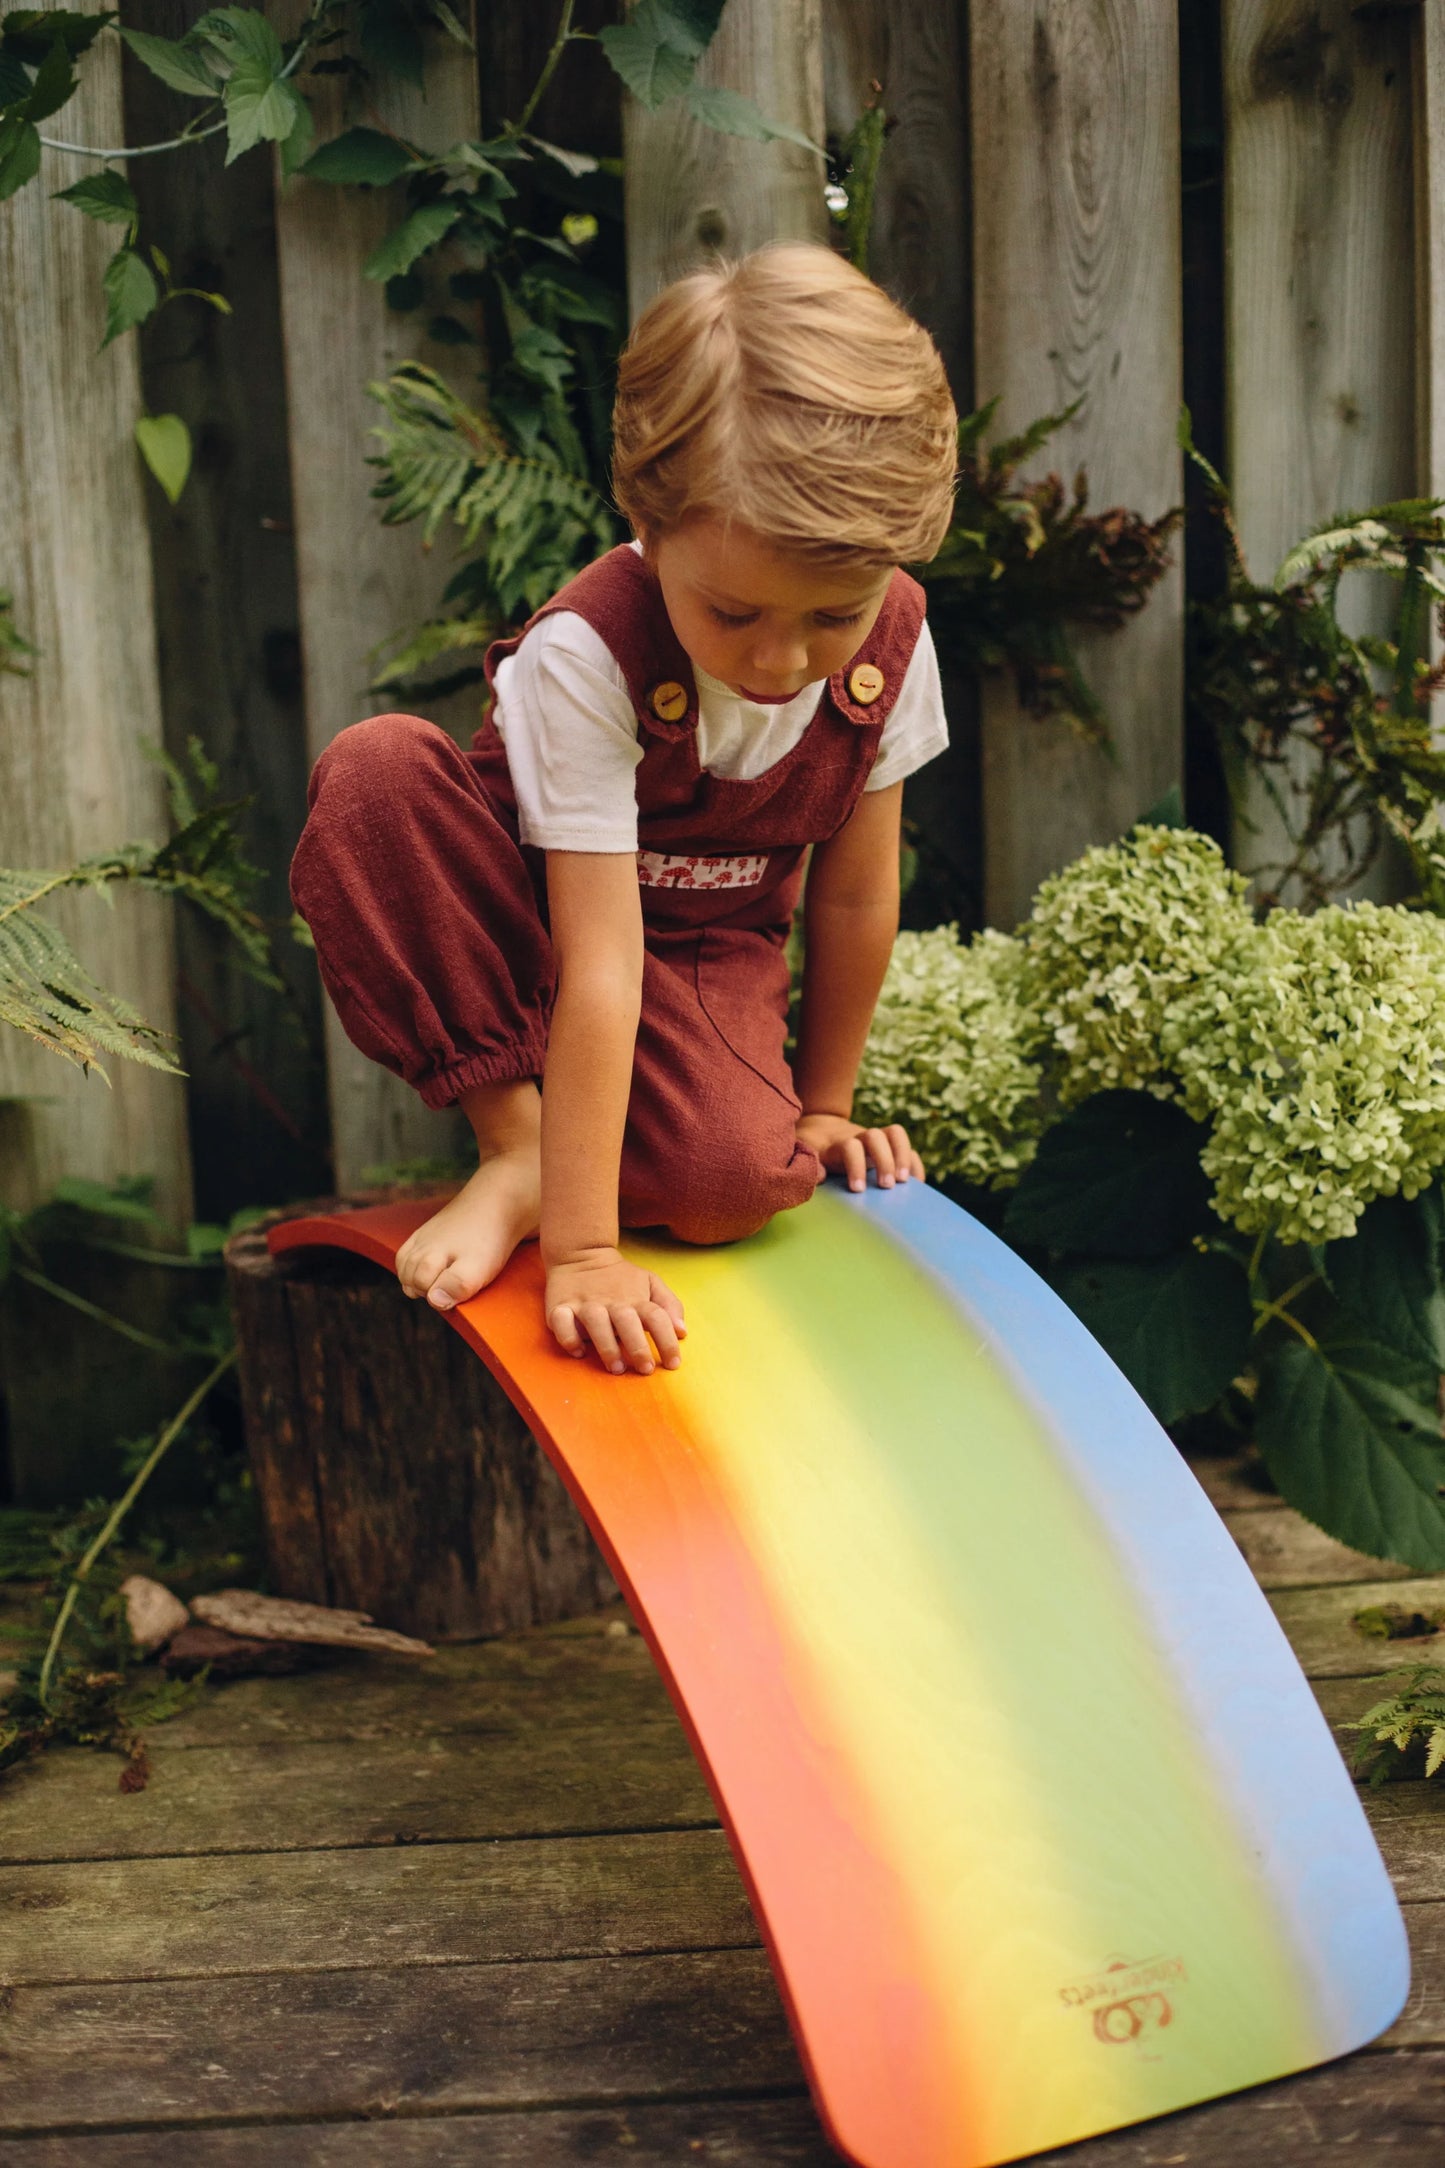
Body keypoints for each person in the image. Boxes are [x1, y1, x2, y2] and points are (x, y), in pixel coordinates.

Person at [292, 242, 958, 1381]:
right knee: (373, 773)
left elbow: (854, 893)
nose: (782, 657)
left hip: (701, 945)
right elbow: (598, 958)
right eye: (735, 610)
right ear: (647, 520)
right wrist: (585, 1251)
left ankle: (595, 1152)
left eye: (831, 615)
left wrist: (824, 1105)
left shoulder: (887, 644)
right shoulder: (587, 652)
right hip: (525, 921)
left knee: (726, 1187)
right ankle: (516, 1144)